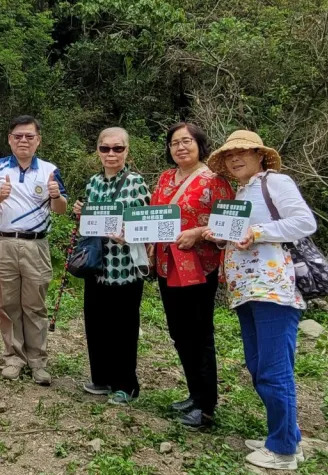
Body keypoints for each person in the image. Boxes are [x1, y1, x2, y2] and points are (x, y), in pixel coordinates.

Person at [204, 130, 314, 470]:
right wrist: (220, 237)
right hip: (245, 290)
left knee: (274, 370)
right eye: (229, 155)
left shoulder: (275, 183)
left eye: (244, 153)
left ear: (260, 155)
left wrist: (258, 232)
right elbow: (240, 238)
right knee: (258, 366)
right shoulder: (241, 191)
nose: (236, 159)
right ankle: (285, 435)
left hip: (273, 289)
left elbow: (304, 222)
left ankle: (282, 450)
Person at [149, 122, 234, 428]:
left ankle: (207, 404)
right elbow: (153, 218)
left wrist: (198, 232)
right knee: (179, 331)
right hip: (167, 265)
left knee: (199, 333)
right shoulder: (165, 179)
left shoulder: (216, 181)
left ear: (200, 145)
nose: (180, 147)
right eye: (174, 143)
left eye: (187, 141)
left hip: (200, 267)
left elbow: (228, 226)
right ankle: (194, 394)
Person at [72, 127, 151, 404]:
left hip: (125, 267)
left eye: (118, 148)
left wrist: (127, 232)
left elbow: (146, 225)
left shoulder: (136, 183)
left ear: (127, 151)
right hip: (97, 266)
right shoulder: (93, 182)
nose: (111, 154)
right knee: (97, 323)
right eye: (105, 148)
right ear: (98, 151)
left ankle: (126, 384)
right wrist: (80, 212)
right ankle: (102, 378)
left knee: (123, 327)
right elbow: (89, 224)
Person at [0, 115, 68, 385]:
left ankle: (38, 361)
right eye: (18, 136)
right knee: (6, 304)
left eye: (29, 136)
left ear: (38, 140)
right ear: (9, 139)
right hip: (2, 242)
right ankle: (13, 358)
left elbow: (61, 210)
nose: (23, 140)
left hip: (36, 244)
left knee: (35, 305)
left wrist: (56, 196)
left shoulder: (50, 169)